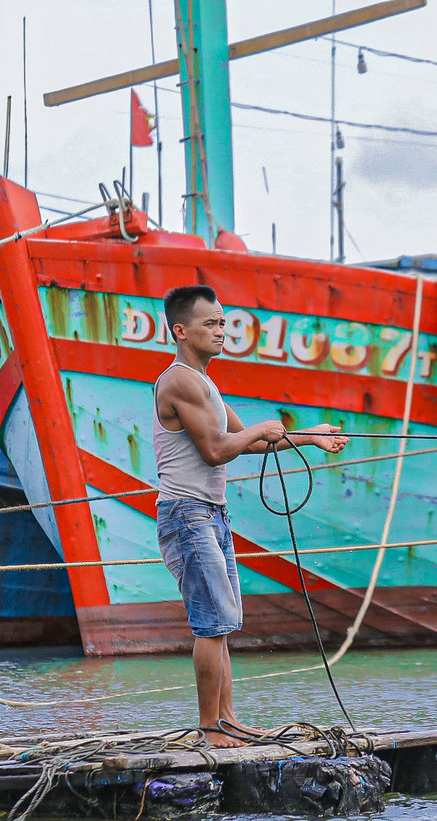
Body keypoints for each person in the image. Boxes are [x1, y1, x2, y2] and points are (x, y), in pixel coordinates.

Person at [153, 285, 348, 748]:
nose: (221, 331)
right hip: (187, 512)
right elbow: (218, 450)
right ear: (181, 331)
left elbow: (259, 443)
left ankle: (228, 719)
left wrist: (311, 436)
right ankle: (210, 728)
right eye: (210, 324)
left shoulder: (206, 384)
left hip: (211, 512)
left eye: (223, 322)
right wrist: (261, 427)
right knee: (211, 621)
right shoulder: (179, 380)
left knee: (224, 621)